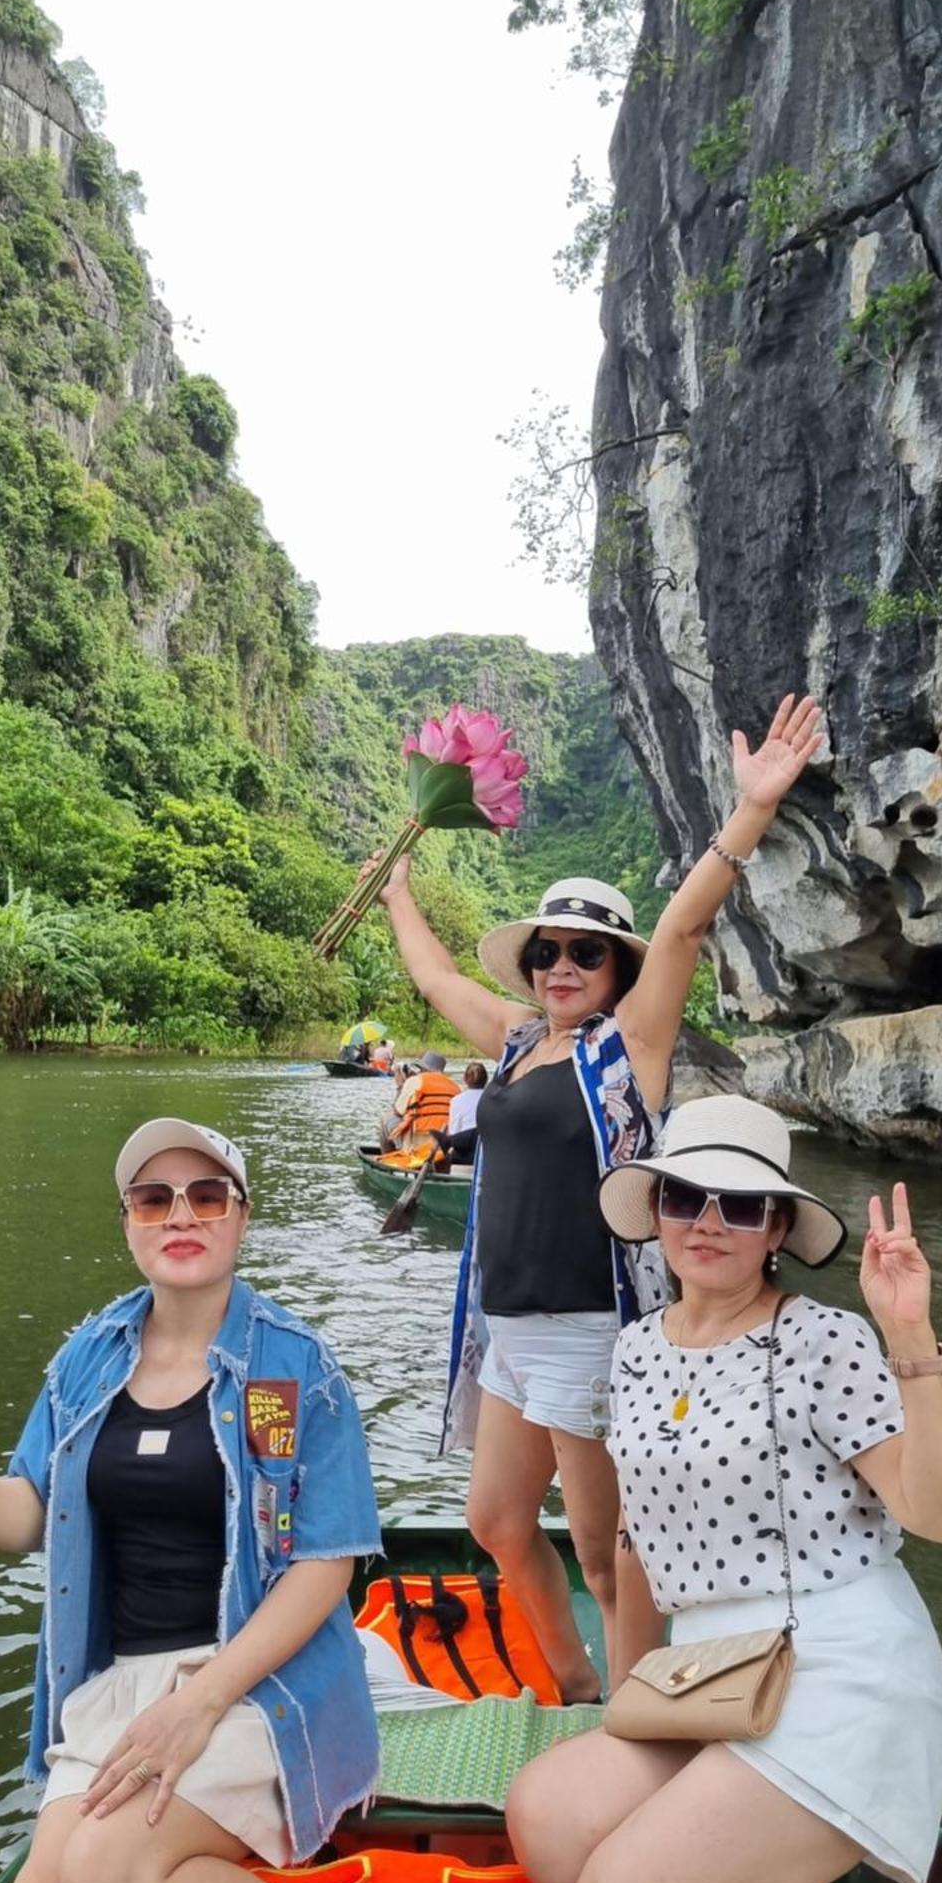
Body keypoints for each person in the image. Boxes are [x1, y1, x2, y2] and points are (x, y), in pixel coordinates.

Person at [369, 693, 824, 1702]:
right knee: (494, 1522)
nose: (562, 964)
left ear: (616, 967)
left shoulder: (635, 1046)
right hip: (504, 1326)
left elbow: (685, 922)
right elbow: (435, 976)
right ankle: (574, 1688)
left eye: (585, 951)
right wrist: (396, 889)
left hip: (591, 1324)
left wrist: (750, 811)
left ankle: (634, 1722)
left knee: (609, 1548)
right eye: (546, 951)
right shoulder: (522, 1040)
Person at [0, 1119, 401, 1883]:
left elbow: (323, 1565)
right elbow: (27, 1518)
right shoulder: (88, 1358)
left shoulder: (288, 1372)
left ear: (241, 1216)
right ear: (128, 1222)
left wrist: (198, 1705)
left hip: (258, 1683)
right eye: (154, 1200)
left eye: (206, 1196)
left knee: (105, 1881)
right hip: (117, 1686)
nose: (180, 1217)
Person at [505, 1095, 942, 1883]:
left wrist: (908, 1334)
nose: (709, 1222)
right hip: (708, 1673)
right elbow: (635, 1540)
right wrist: (628, 1694)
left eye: (742, 1204)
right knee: (547, 1813)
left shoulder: (824, 1340)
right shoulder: (639, 1348)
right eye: (685, 1198)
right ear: (656, 1214)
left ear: (776, 1229)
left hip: (839, 1668)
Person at [384, 1049, 461, 1158]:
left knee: (386, 1118)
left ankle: (388, 1162)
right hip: (444, 1145)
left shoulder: (415, 1081)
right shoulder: (455, 1086)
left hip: (418, 1144)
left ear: (424, 1068)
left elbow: (398, 1111)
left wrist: (400, 1086)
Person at [435, 1060, 488, 1165]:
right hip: (485, 1154)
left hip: (462, 1156)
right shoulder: (492, 1099)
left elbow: (454, 1132)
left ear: (465, 1079)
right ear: (486, 1080)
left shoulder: (456, 1100)